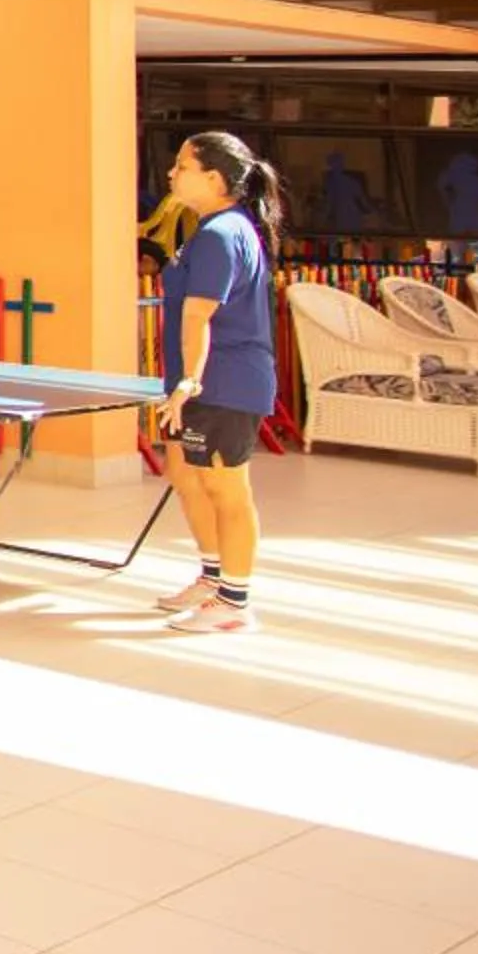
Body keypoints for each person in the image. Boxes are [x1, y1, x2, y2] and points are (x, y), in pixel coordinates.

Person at [152, 130, 285, 635]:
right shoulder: (208, 230)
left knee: (227, 489)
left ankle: (235, 601)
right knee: (185, 478)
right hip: (194, 384)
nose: (171, 174)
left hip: (222, 383)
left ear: (214, 177)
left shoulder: (220, 234)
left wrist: (189, 381)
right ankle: (212, 576)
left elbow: (199, 316)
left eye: (182, 166)